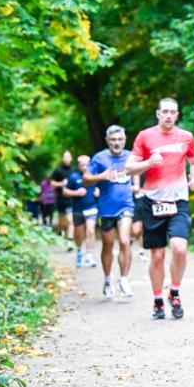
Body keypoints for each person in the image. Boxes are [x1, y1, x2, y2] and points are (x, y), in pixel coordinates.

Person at [126, 98, 194, 320]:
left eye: (173, 112)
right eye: (165, 112)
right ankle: (158, 299)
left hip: (178, 201)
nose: (169, 115)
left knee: (179, 248)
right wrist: (148, 163)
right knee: (157, 256)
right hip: (152, 202)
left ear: (177, 115)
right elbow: (130, 167)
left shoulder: (186, 137)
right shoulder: (145, 136)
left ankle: (175, 292)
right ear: (158, 114)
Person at [84, 126, 137, 300]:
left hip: (126, 206)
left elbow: (138, 171)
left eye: (120, 139)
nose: (117, 143)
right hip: (106, 209)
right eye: (113, 140)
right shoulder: (99, 158)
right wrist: (102, 176)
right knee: (107, 245)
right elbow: (86, 179)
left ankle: (124, 280)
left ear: (125, 139)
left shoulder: (131, 156)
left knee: (124, 241)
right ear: (108, 141)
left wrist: (136, 185)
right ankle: (108, 279)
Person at [65, 154, 99, 268]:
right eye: (82, 164)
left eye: (87, 164)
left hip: (91, 206)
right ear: (78, 165)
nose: (84, 167)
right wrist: (75, 193)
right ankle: (79, 251)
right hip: (78, 208)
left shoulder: (94, 175)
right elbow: (65, 191)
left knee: (91, 230)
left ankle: (89, 255)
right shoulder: (73, 177)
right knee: (78, 234)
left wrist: (98, 192)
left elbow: (102, 187)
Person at [50, 151, 74, 242]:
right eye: (64, 157)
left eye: (68, 157)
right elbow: (52, 183)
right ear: (62, 159)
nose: (66, 159)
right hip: (61, 199)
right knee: (62, 223)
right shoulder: (58, 171)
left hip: (71, 199)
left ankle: (69, 241)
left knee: (70, 221)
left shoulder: (74, 170)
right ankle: (58, 231)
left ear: (71, 158)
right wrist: (61, 184)